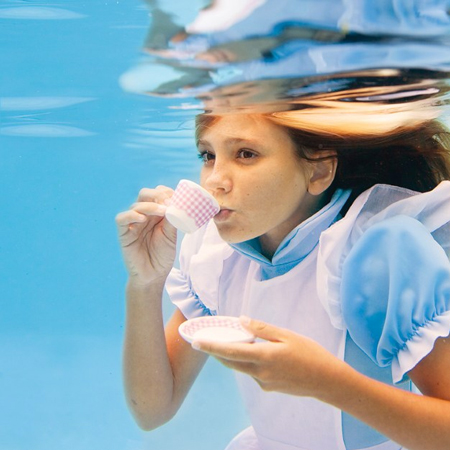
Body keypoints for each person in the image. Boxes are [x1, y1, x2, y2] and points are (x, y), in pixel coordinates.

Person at [115, 100, 450, 449]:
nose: (215, 181)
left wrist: (328, 383)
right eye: (207, 155)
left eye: (246, 154)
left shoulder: (376, 257)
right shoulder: (216, 256)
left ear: (319, 171)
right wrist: (144, 283)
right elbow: (151, 411)